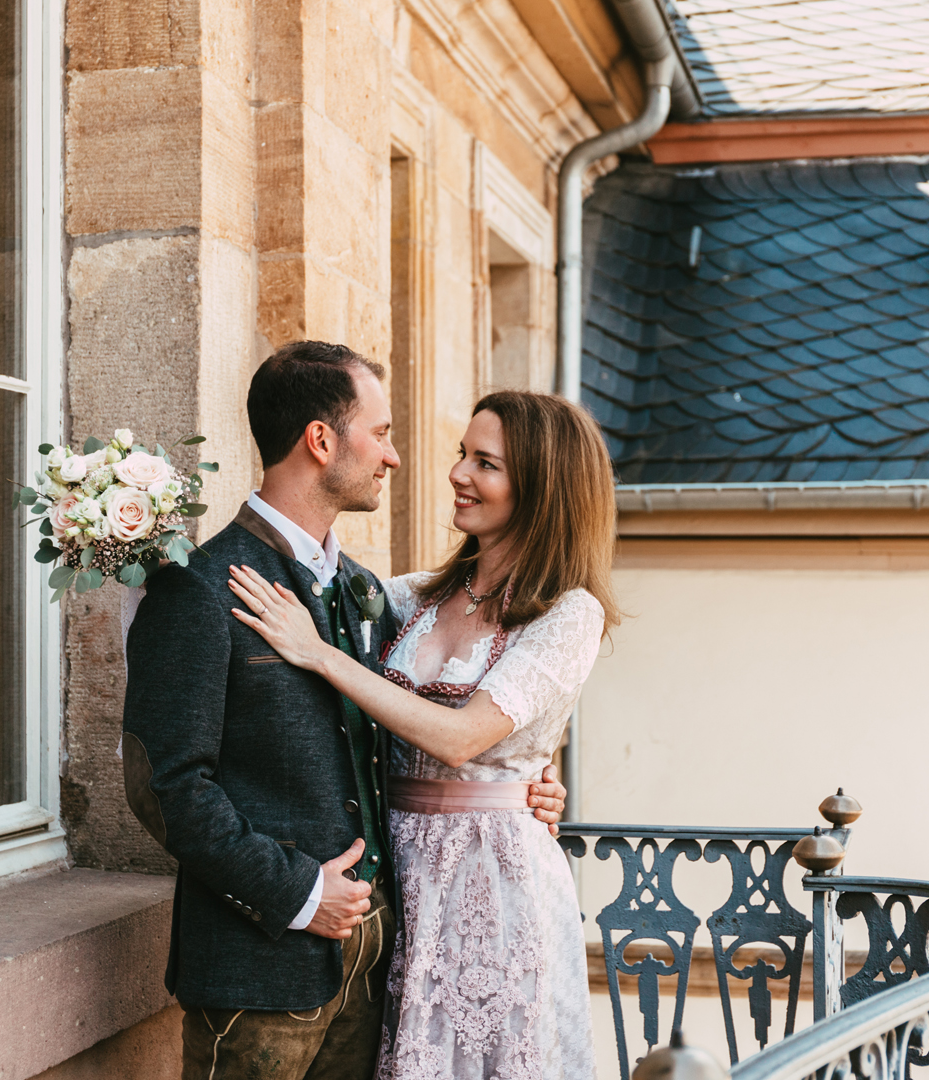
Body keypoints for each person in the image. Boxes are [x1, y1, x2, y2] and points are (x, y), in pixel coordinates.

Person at [120, 341, 567, 1080]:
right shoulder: (199, 590)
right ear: (321, 441)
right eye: (382, 433)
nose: (394, 457)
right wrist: (297, 894)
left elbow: (417, 725)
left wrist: (524, 785)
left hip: (373, 968)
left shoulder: (368, 594)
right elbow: (164, 787)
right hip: (254, 972)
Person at [227, 388, 617, 1079]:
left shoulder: (569, 613)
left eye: (486, 463)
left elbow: (463, 738)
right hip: (399, 869)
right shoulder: (414, 597)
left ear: (544, 485)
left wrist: (321, 654)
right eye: (462, 454)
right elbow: (314, 579)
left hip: (491, 884)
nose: (458, 474)